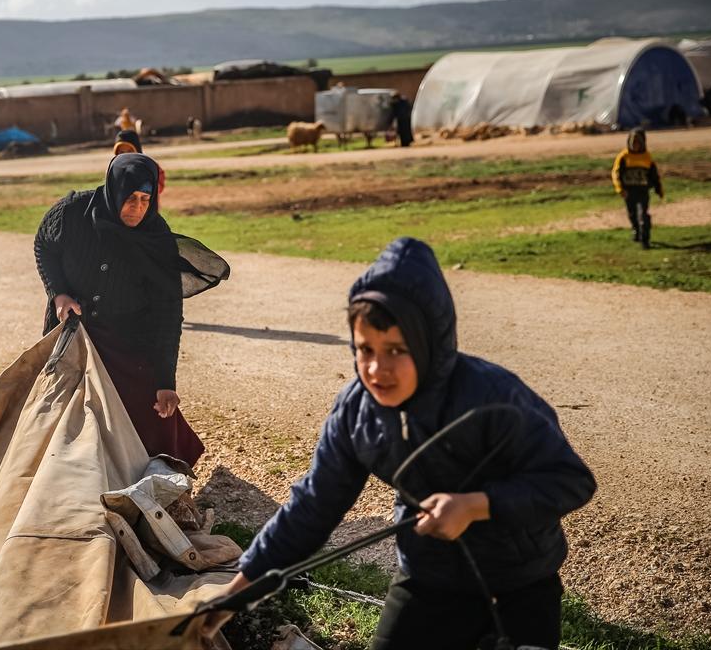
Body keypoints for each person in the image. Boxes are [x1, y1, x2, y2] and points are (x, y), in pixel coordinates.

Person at [204, 237, 595, 649]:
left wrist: (475, 506)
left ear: (429, 343)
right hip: (428, 577)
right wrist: (235, 594)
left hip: (519, 583)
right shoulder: (357, 412)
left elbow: (571, 481)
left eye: (396, 350)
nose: (376, 368)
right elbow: (313, 507)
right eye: (364, 349)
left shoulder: (496, 397)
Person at [33, 153, 227, 467]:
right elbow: (44, 245)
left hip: (124, 337)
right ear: (114, 191)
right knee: (67, 411)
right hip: (72, 331)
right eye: (129, 198)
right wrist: (58, 294)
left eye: (145, 199)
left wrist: (166, 380)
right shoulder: (71, 213)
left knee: (147, 412)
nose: (137, 208)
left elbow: (168, 311)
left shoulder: (155, 237)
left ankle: (147, 477)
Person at [611, 128, 664, 249]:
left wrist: (659, 189)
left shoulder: (647, 157)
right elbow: (616, 173)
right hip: (628, 192)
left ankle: (645, 239)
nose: (635, 145)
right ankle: (636, 230)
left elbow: (654, 175)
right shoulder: (623, 157)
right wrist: (620, 188)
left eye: (637, 143)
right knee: (632, 214)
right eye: (633, 143)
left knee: (643, 214)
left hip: (642, 191)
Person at [113, 129, 165, 195]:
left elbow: (158, 187)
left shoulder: (149, 167)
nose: (126, 155)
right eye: (121, 152)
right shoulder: (114, 171)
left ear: (137, 151)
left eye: (130, 151)